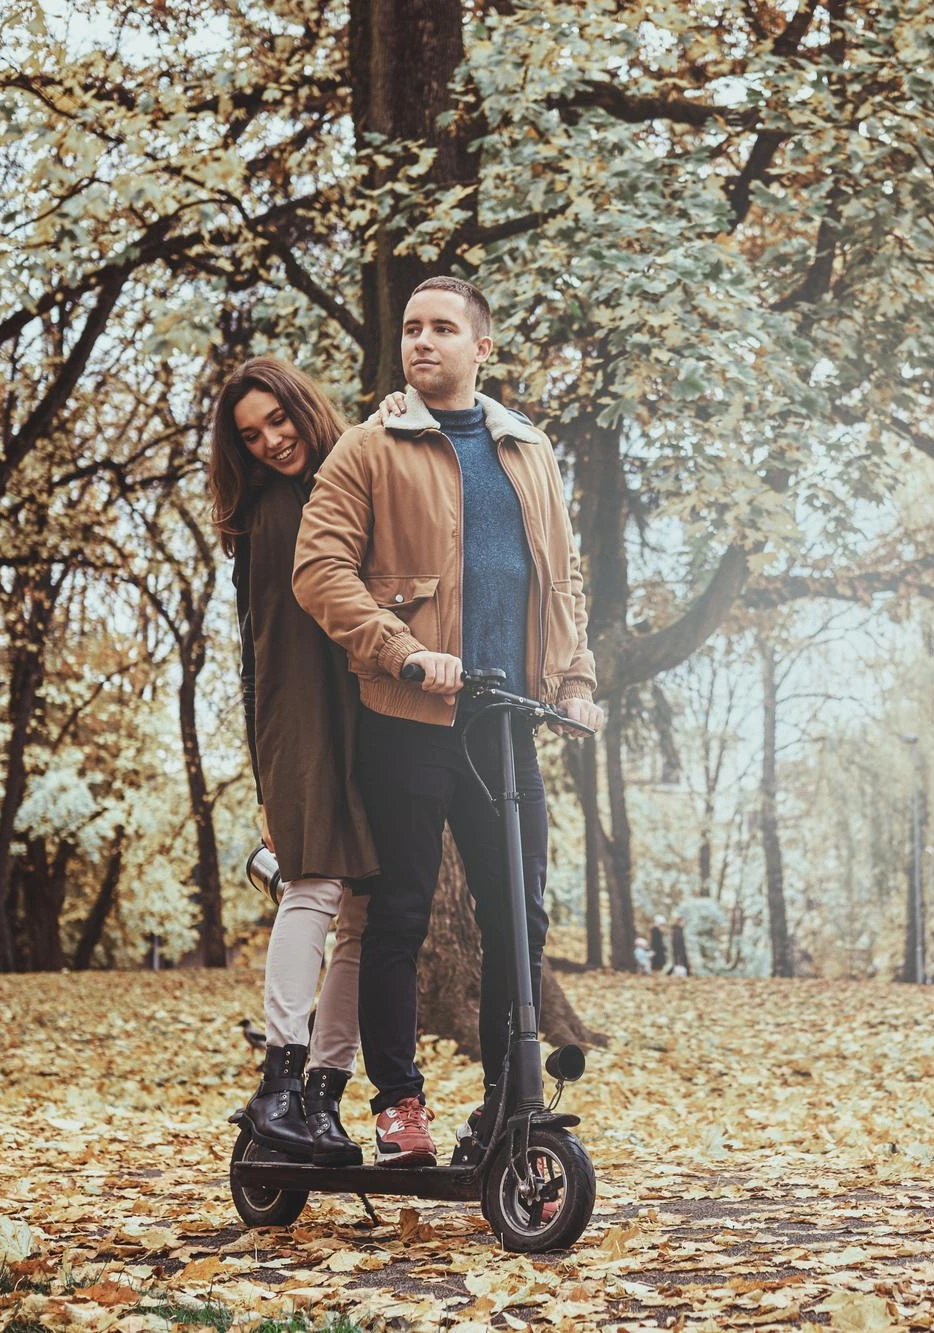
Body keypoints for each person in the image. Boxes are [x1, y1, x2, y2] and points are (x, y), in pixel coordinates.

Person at [293, 276, 606, 1167]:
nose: (421, 342)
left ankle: (510, 1099)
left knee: (521, 918)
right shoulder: (369, 447)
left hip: (507, 724)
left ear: (483, 348)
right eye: (410, 329)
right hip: (408, 714)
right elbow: (320, 571)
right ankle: (399, 1105)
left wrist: (575, 678)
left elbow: (561, 579)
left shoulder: (528, 450)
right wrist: (400, 649)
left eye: (441, 329)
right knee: (400, 911)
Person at [212, 357, 378, 1167]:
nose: (272, 441)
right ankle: (279, 1079)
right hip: (304, 716)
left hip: (372, 716)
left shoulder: (355, 475)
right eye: (251, 435)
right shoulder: (272, 511)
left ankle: (323, 1095)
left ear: (303, 406)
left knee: (365, 912)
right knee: (313, 884)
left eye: (278, 420)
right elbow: (263, 650)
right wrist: (272, 759)